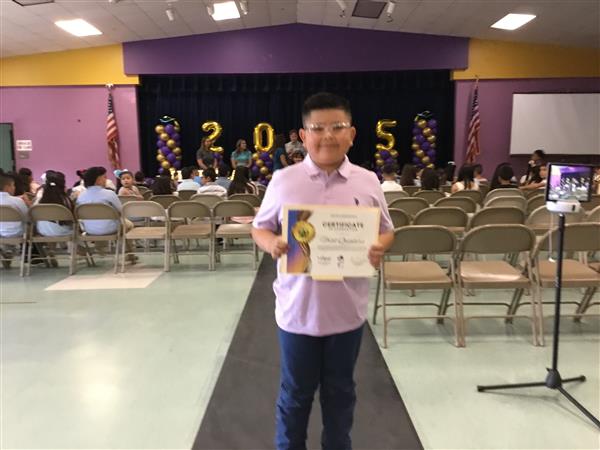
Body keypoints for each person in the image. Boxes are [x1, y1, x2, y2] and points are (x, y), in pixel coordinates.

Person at [251, 92, 394, 450]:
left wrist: (379, 246)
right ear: (303, 135)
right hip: (297, 312)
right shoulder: (284, 180)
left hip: (347, 313)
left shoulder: (368, 181)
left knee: (341, 392)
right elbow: (260, 227)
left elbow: (387, 230)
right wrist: (271, 243)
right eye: (317, 128)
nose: (327, 135)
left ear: (352, 134)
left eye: (337, 127)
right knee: (295, 394)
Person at [76, 166, 135, 260]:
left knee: (99, 223)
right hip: (111, 229)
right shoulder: (109, 194)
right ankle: (127, 253)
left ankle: (101, 250)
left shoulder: (81, 196)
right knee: (128, 224)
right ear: (98, 180)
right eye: (105, 177)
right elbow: (121, 211)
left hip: (89, 230)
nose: (106, 180)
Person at [0, 174, 29, 268]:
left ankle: (7, 251)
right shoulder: (17, 201)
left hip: (0, 232)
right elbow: (27, 217)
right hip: (18, 232)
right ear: (7, 187)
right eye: (13, 185)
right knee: (31, 226)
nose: (14, 188)